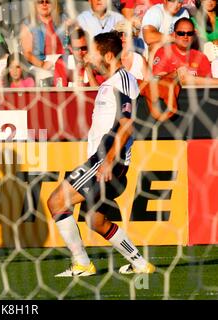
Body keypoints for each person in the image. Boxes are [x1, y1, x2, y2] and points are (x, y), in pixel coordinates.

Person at [47, 32, 156, 277]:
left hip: (106, 162)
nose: (89, 56)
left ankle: (82, 263)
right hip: (104, 161)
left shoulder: (122, 80)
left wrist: (107, 161)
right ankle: (140, 264)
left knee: (56, 202)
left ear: (108, 55)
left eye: (93, 52)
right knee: (96, 222)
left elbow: (126, 125)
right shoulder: (111, 82)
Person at [152, 17, 218, 84]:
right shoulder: (163, 52)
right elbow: (156, 81)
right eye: (181, 33)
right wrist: (176, 74)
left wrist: (193, 79)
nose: (185, 36)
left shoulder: (201, 57)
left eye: (189, 33)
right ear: (174, 35)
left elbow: (210, 85)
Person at [20, 0, 68, 87]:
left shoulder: (63, 19)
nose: (44, 4)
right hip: (41, 63)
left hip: (63, 61)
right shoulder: (28, 24)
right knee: (44, 76)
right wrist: (41, 64)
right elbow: (27, 53)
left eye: (48, 1)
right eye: (40, 1)